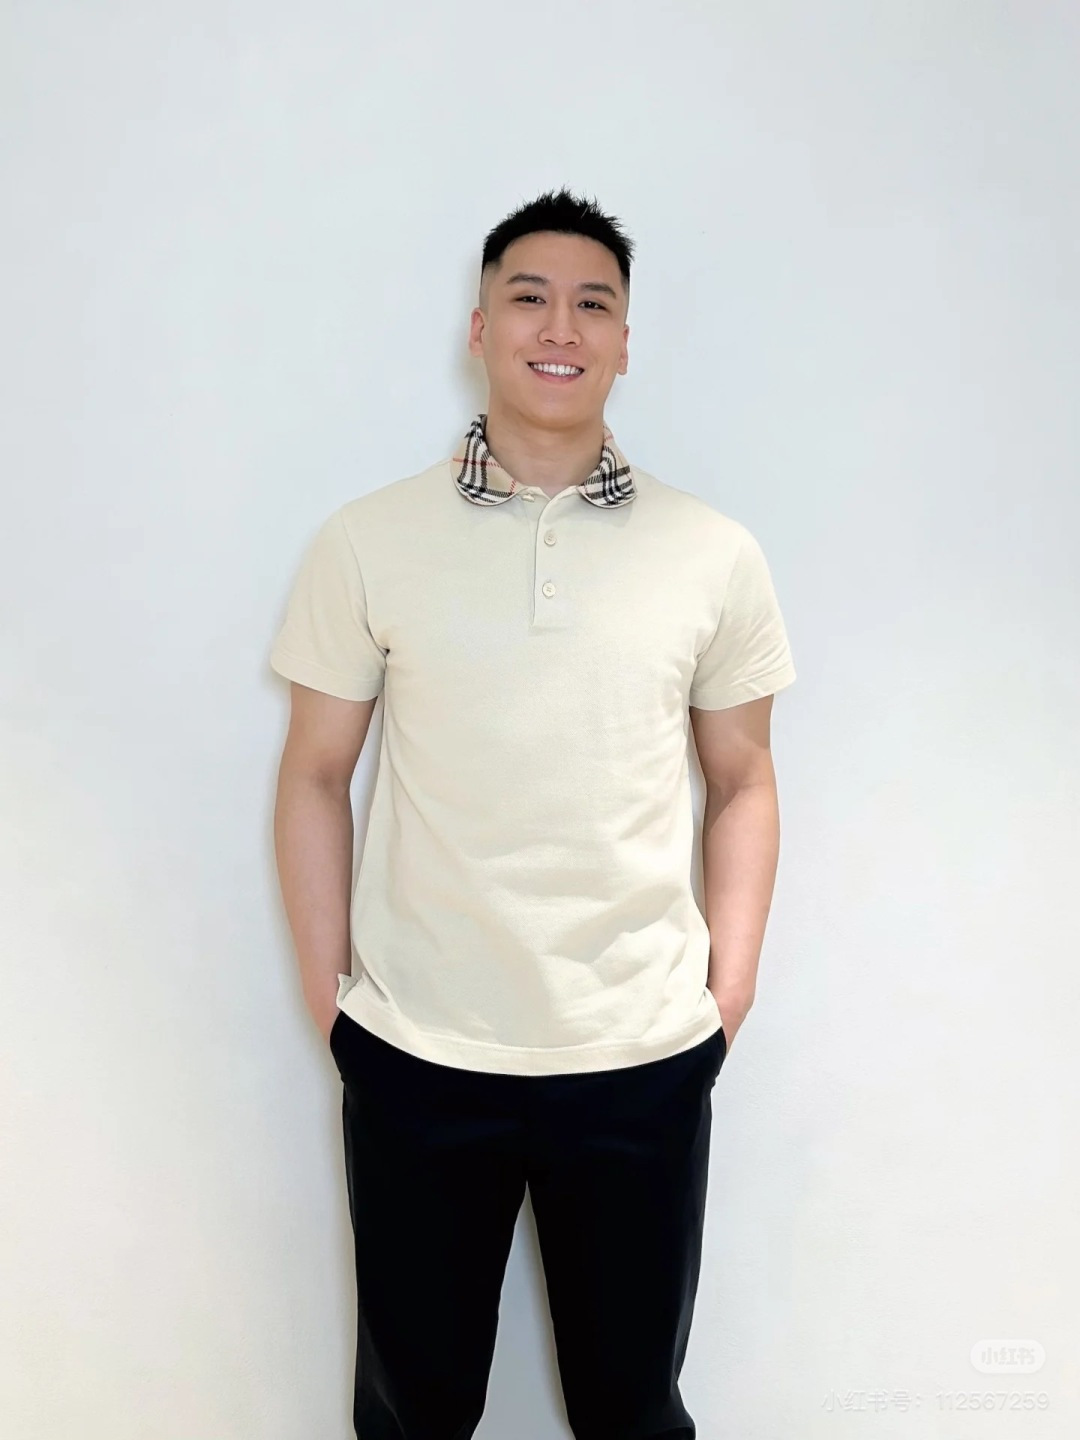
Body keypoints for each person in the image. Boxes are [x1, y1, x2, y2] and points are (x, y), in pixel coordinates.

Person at [269, 186, 797, 1440]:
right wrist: (336, 1006)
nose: (560, 326)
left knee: (632, 1410)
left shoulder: (712, 551)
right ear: (479, 328)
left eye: (592, 303)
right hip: (417, 1054)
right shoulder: (368, 540)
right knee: (413, 1412)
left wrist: (726, 998)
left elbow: (744, 780)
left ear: (625, 342)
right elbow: (312, 776)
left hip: (640, 1059)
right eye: (529, 296)